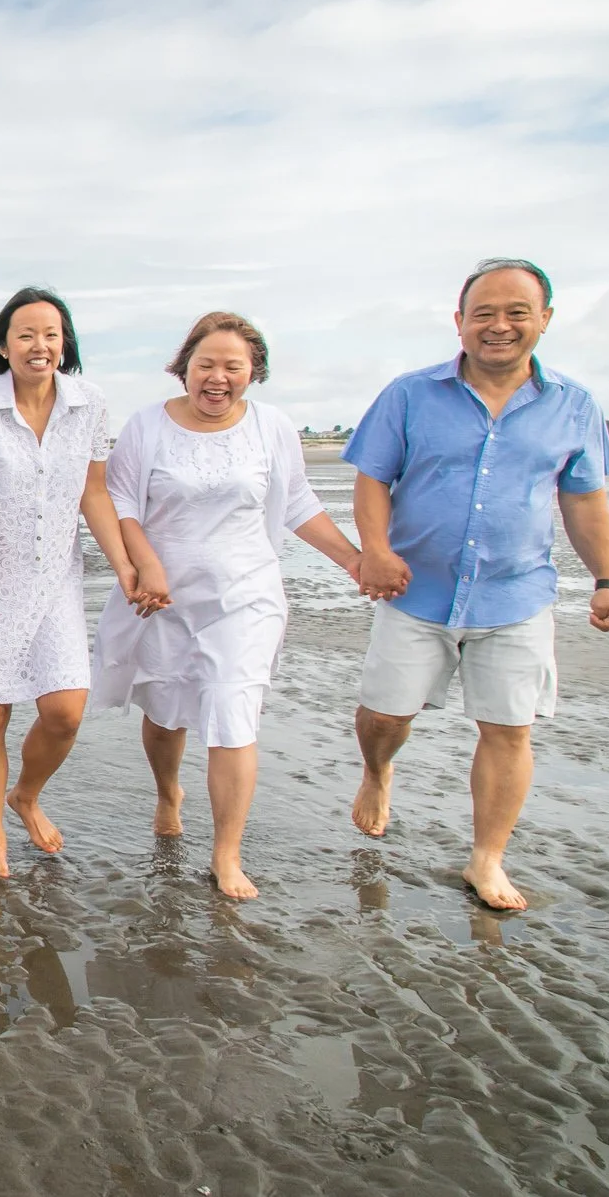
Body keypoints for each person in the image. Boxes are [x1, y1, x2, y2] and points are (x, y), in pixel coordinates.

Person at [345, 258, 609, 911]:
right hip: (413, 589)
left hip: (516, 592)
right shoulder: (409, 394)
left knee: (509, 727)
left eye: (516, 313)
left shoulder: (574, 406)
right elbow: (371, 479)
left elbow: (584, 501)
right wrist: (376, 552)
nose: (499, 326)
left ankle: (486, 858)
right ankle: (377, 771)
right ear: (460, 321)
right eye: (485, 313)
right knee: (386, 715)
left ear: (544, 320)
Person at [89, 312, 362, 900]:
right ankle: (168, 794)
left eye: (232, 366)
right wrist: (146, 565)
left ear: (252, 372)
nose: (217, 377)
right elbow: (122, 503)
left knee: (232, 714)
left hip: (246, 596)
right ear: (184, 366)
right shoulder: (147, 426)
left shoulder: (272, 427)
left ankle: (226, 854)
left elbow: (297, 503)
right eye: (205, 364)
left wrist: (353, 560)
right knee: (164, 711)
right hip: (162, 597)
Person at [0, 287, 142, 878]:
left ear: (66, 343)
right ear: (3, 346)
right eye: (26, 334)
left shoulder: (89, 403)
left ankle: (25, 795)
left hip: (56, 578)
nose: (40, 345)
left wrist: (125, 566)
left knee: (65, 711)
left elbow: (94, 492)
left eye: (51, 334)